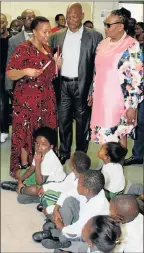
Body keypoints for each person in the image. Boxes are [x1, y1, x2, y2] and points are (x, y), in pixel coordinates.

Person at [6, 16, 61, 178]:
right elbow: (10, 73)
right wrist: (25, 71)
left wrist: (57, 66)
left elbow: (49, 76)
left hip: (46, 98)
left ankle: (41, 166)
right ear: (34, 32)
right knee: (25, 132)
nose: (47, 34)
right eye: (44, 32)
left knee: (44, 133)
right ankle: (24, 168)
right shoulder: (24, 48)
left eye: (49, 31)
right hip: (27, 100)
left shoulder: (47, 48)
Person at [48, 3, 103, 165]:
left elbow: (96, 67)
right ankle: (64, 152)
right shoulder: (56, 36)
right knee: (63, 120)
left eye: (74, 16)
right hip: (62, 85)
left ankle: (80, 153)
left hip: (82, 85)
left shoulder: (94, 36)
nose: (70, 20)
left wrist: (93, 90)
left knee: (82, 122)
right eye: (67, 16)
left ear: (82, 16)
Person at [90, 8, 143, 148]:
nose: (105, 28)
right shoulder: (102, 44)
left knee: (119, 135)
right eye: (104, 24)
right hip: (101, 100)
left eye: (108, 25)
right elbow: (97, 73)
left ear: (120, 27)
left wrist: (132, 106)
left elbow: (138, 78)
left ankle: (117, 167)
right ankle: (108, 167)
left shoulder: (132, 45)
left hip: (119, 102)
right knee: (104, 135)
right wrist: (93, 93)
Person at [36, 170, 109, 250]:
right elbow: (69, 192)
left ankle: (62, 240)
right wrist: (56, 208)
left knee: (75, 234)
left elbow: (78, 229)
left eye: (78, 183)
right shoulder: (92, 191)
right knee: (69, 200)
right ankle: (58, 229)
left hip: (89, 232)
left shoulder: (95, 209)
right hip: (82, 219)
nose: (76, 184)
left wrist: (62, 228)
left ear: (86, 190)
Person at [1, 127, 66, 196]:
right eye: (37, 143)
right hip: (40, 175)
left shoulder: (51, 159)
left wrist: (38, 163)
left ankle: (20, 189)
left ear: (51, 147)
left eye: (43, 144)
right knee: (18, 173)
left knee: (34, 190)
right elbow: (32, 168)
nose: (39, 147)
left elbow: (40, 182)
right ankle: (21, 185)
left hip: (51, 183)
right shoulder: (39, 151)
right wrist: (20, 180)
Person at [124, 22, 144, 166]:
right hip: (137, 91)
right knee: (140, 123)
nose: (136, 31)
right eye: (135, 29)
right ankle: (137, 155)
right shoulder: (133, 46)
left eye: (139, 29)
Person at [5, 9, 36, 92]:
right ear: (22, 20)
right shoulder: (14, 40)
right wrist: (9, 85)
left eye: (33, 17)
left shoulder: (44, 37)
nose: (32, 20)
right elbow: (10, 63)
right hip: (21, 84)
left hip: (40, 84)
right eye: (28, 18)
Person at [0, 13, 11, 143]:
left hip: (12, 75)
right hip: (1, 76)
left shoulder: (12, 38)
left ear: (6, 23)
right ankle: (3, 130)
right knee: (2, 104)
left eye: (2, 22)